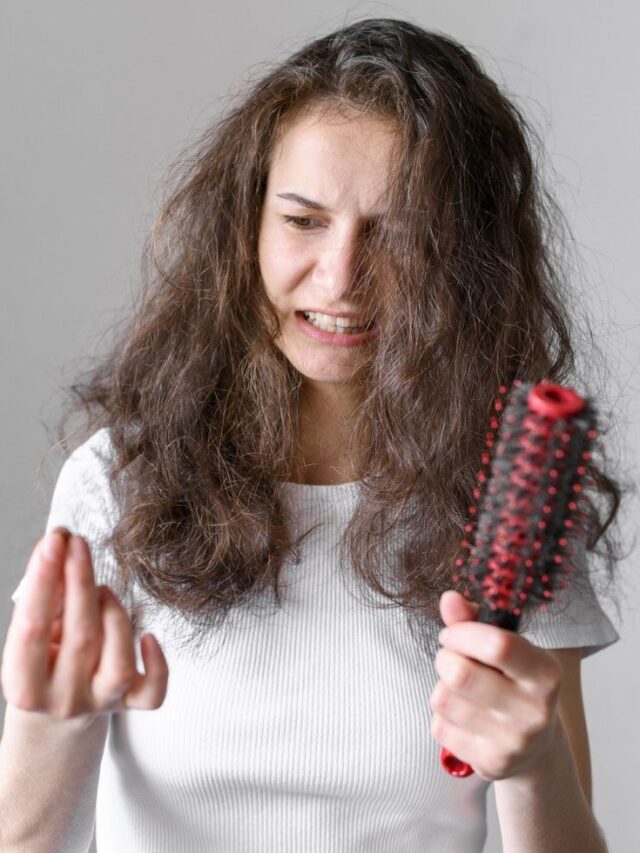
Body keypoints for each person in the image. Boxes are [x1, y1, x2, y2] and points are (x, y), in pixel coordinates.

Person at [0, 17, 623, 853]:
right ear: (246, 227)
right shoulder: (120, 480)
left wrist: (536, 764)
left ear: (466, 257)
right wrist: (52, 721)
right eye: (302, 220)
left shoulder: (514, 502)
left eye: (398, 233)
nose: (340, 278)